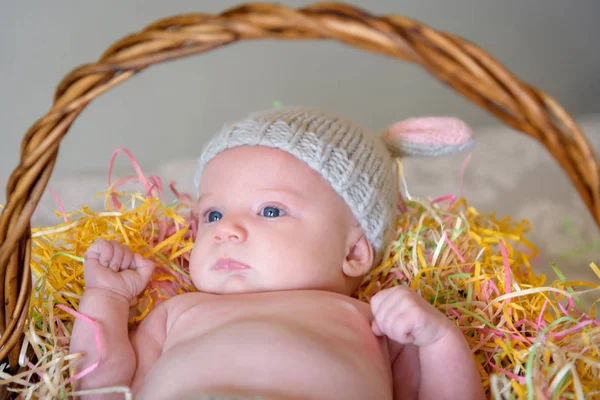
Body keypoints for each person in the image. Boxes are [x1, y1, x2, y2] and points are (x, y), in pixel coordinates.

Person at [70, 107, 484, 399]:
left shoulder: (374, 324)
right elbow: (101, 390)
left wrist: (438, 340)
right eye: (212, 213)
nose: (226, 230)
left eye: (270, 210)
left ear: (355, 252)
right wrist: (105, 300)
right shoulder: (177, 311)